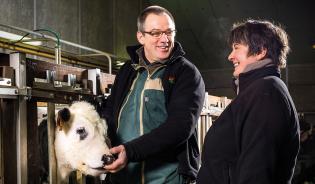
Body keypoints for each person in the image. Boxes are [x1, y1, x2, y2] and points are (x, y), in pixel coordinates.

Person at [103, 5, 205, 184]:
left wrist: (130, 151)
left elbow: (180, 127)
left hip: (167, 178)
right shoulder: (128, 70)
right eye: (156, 33)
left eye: (169, 32)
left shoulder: (186, 73)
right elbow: (110, 112)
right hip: (123, 175)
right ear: (140, 36)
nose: (164, 39)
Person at [197, 19, 300, 184]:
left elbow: (257, 171)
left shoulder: (267, 92)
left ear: (260, 51)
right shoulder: (259, 91)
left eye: (236, 47)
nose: (230, 56)